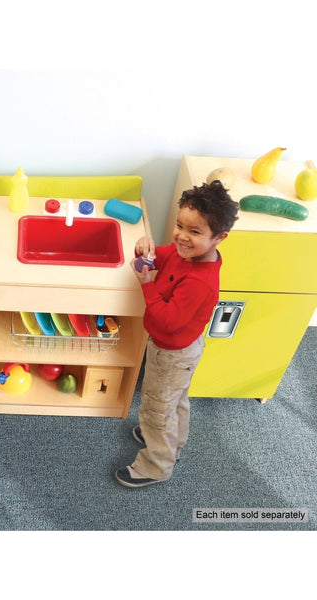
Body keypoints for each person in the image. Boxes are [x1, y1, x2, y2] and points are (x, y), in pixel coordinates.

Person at [114, 180, 239, 488]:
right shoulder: (188, 254)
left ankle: (156, 465)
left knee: (156, 408)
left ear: (218, 238)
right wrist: (148, 249)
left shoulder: (200, 282)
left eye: (194, 232)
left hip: (172, 351)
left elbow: (167, 319)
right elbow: (167, 254)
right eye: (180, 226)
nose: (182, 236)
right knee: (175, 399)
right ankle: (173, 441)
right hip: (182, 349)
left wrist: (147, 284)